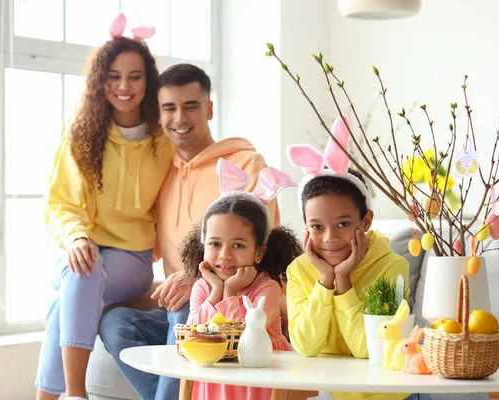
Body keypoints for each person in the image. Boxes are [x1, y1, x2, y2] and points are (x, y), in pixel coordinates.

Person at [98, 64, 280, 400]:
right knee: (116, 322)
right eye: (169, 107)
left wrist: (195, 278)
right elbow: (136, 243)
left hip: (237, 310)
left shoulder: (246, 163)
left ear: (209, 109)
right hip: (181, 309)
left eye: (190, 106)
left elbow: (260, 250)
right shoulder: (159, 173)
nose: (179, 117)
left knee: (185, 312)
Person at [35, 14, 172, 400]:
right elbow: (59, 201)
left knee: (79, 278)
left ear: (149, 81)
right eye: (113, 76)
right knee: (80, 273)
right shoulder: (80, 134)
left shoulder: (164, 140)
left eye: (134, 76)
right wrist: (77, 236)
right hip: (82, 248)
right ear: (101, 81)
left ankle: (62, 396)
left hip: (132, 256)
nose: (123, 86)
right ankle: (75, 396)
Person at [285, 129, 422, 400]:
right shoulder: (299, 270)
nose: (330, 238)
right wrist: (325, 280)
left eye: (343, 224)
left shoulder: (392, 267)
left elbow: (370, 350)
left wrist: (343, 281)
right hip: (333, 392)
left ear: (366, 222)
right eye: (316, 226)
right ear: (305, 227)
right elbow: (305, 346)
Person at [180, 158, 301, 399]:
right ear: (203, 244)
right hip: (215, 374)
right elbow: (196, 334)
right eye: (215, 244)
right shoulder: (203, 287)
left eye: (237, 245)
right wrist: (216, 289)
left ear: (259, 252)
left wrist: (231, 291)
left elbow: (242, 337)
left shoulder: (267, 288)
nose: (224, 255)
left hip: (260, 375)